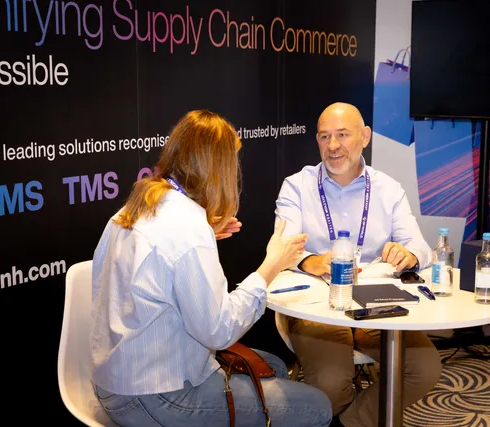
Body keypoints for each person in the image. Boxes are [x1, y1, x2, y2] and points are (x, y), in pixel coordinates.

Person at [90, 110, 332, 427]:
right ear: (219, 169)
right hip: (158, 396)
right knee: (317, 407)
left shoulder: (138, 206)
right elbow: (219, 331)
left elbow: (161, 263)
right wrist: (271, 266)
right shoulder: (189, 228)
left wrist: (206, 233)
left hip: (113, 384)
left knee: (271, 365)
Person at [274, 102, 442, 427]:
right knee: (330, 386)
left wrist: (408, 255)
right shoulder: (297, 187)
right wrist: (312, 261)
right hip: (317, 307)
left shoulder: (388, 189)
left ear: (365, 137)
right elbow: (283, 248)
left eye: (342, 135)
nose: (333, 146)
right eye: (325, 137)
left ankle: (348, 423)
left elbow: (420, 247)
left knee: (424, 368)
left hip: (375, 305)